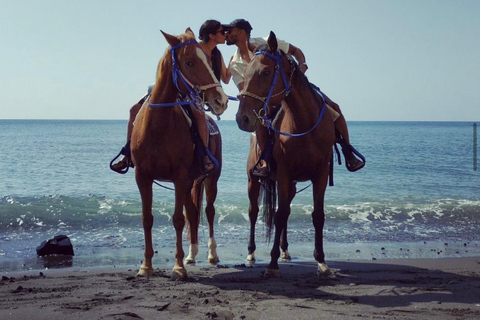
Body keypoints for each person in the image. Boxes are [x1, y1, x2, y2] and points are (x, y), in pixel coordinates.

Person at [223, 18, 365, 177]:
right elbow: (245, 89)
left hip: (294, 85)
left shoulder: (266, 42)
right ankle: (266, 162)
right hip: (266, 97)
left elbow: (296, 51)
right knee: (261, 123)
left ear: (242, 32)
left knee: (334, 108)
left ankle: (348, 152)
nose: (226, 34)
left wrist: (302, 65)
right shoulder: (235, 63)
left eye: (230, 30)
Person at [111, 21, 230, 174]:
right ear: (212, 35)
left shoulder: (217, 54)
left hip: (195, 92)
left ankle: (204, 153)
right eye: (222, 32)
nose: (225, 35)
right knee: (134, 109)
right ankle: (128, 154)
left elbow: (223, 78)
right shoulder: (193, 47)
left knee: (199, 115)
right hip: (176, 85)